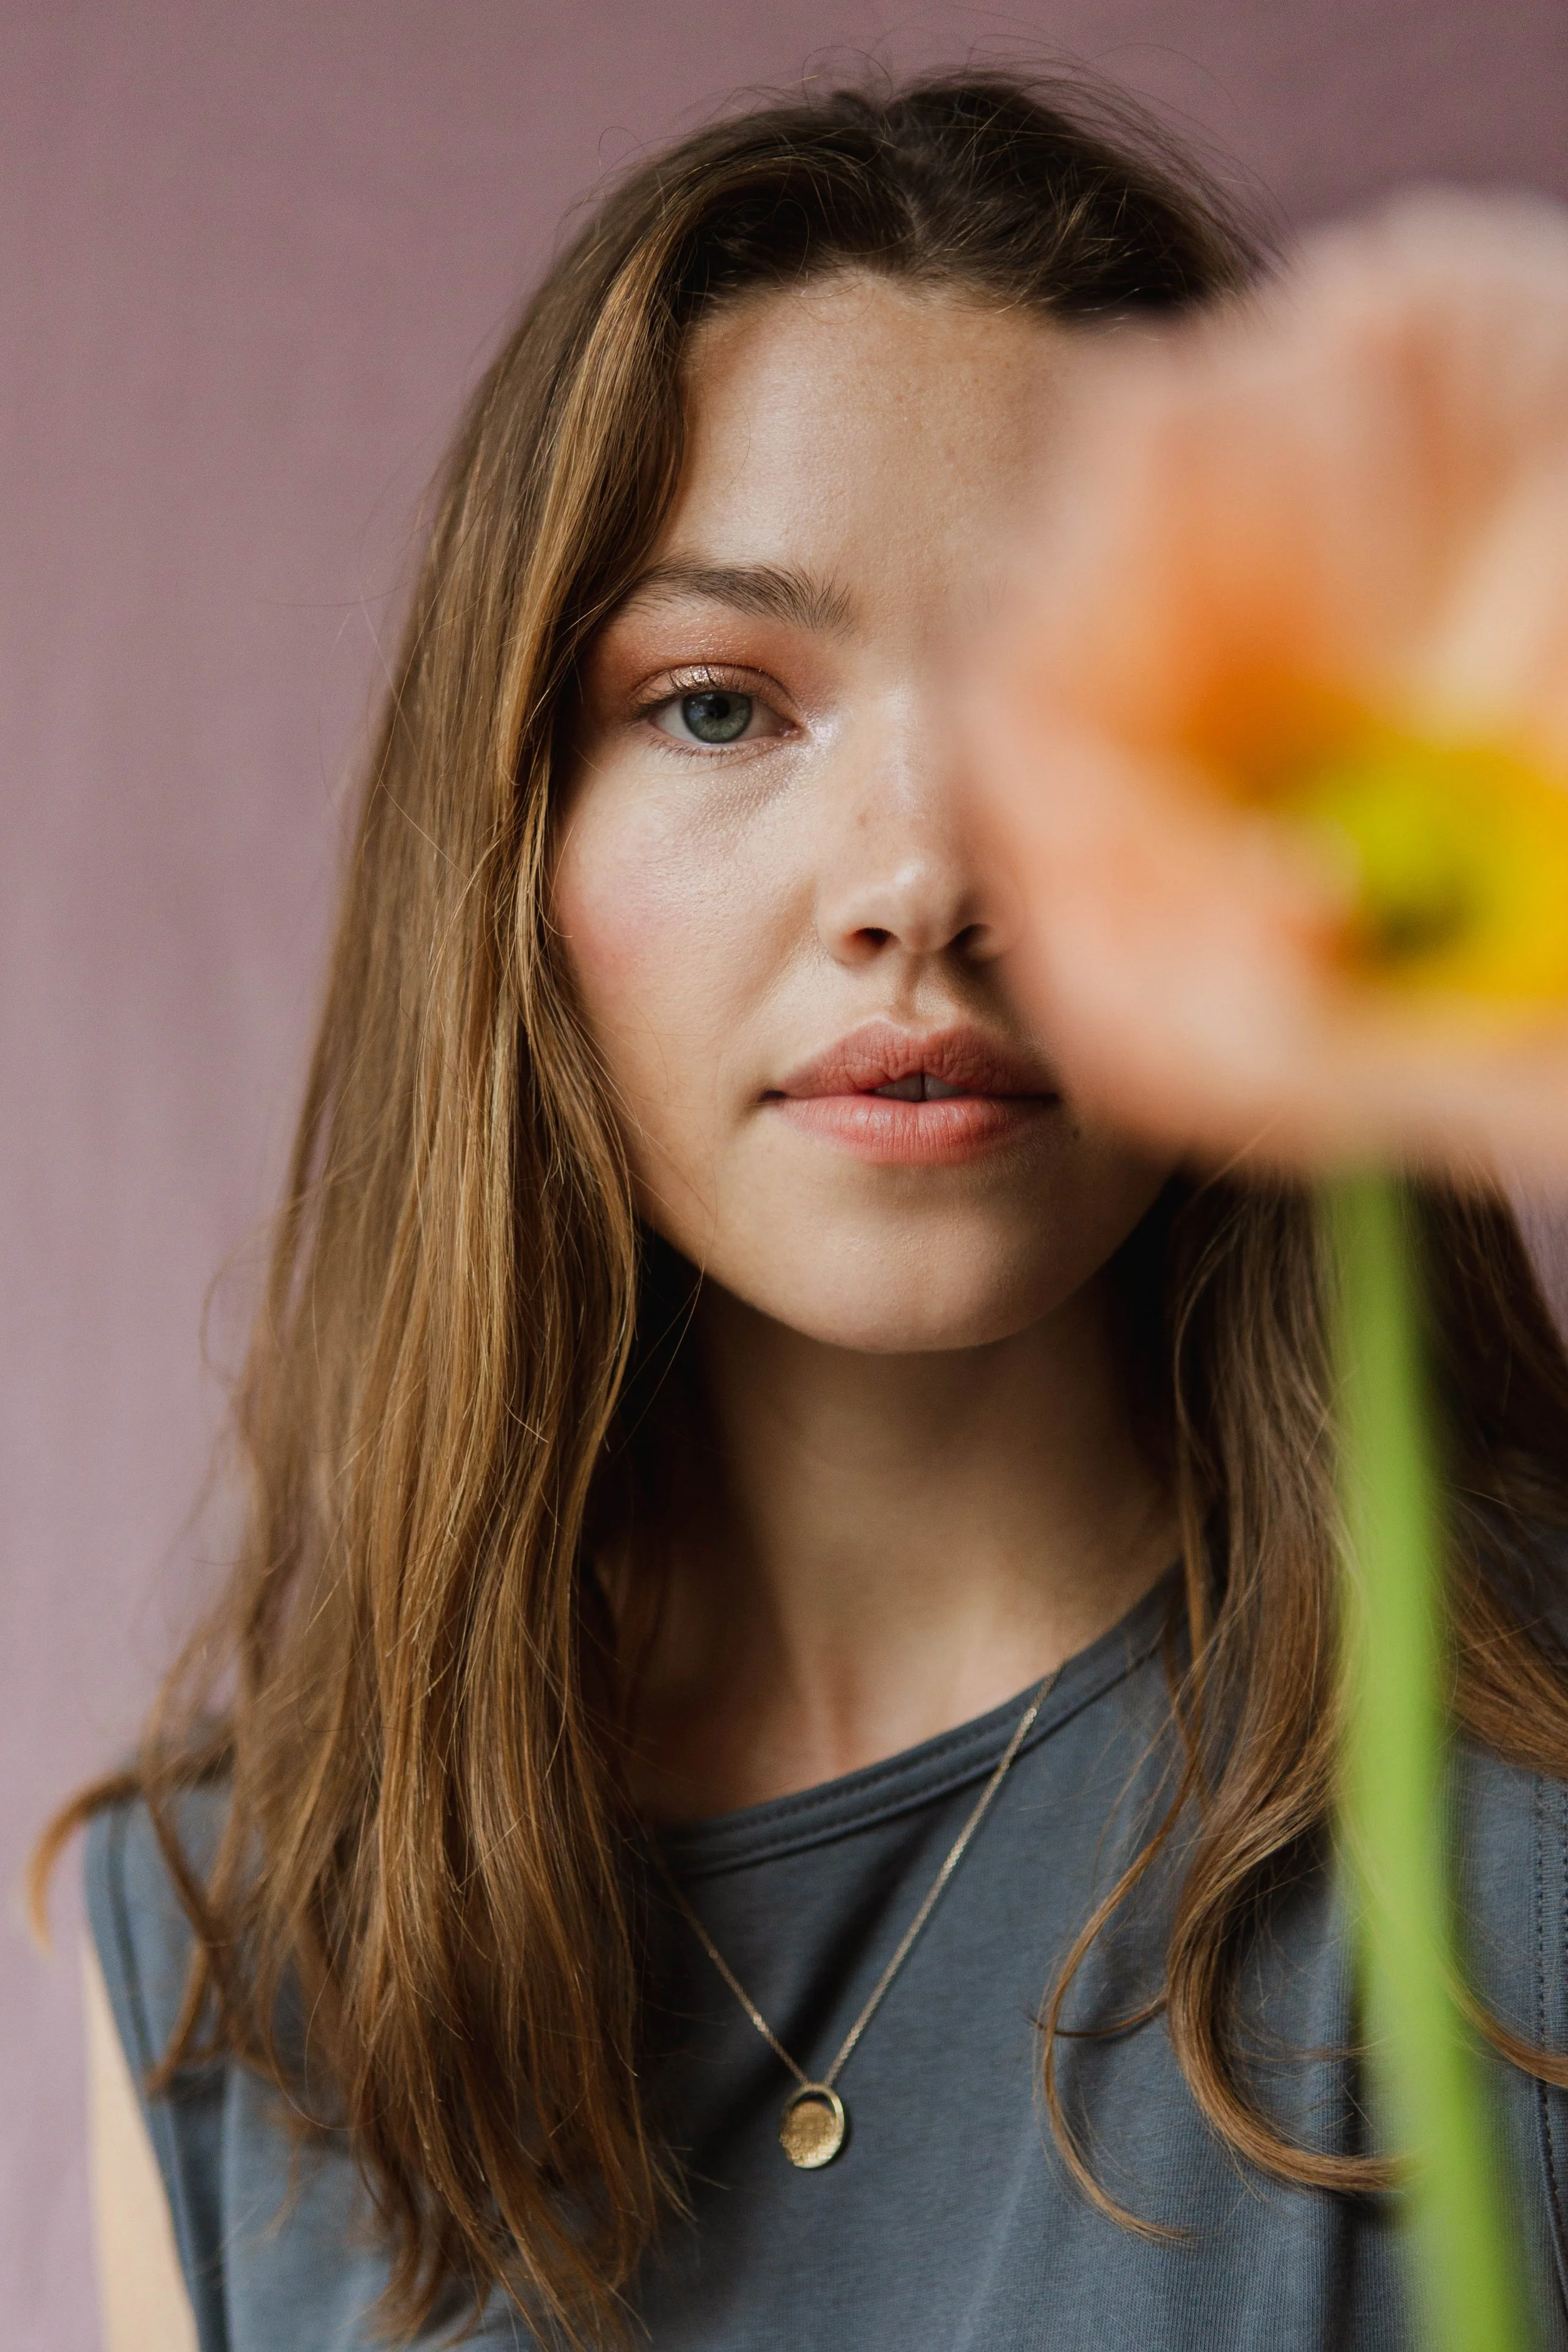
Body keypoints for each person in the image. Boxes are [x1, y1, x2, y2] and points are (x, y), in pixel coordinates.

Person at [44, 69, 1568, 2352]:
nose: (921, 881)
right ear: (513, 852)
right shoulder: (236, 1955)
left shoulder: (1521, 1822)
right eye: (723, 706)